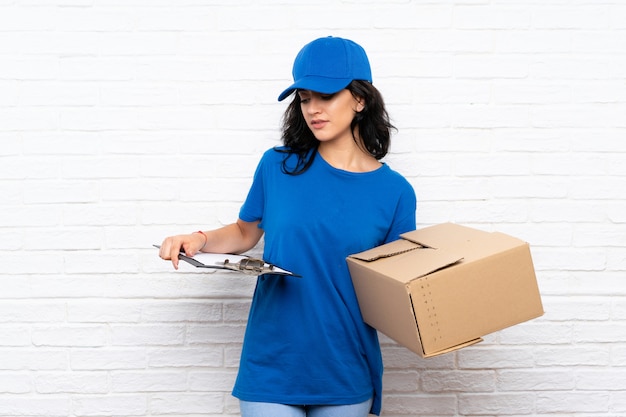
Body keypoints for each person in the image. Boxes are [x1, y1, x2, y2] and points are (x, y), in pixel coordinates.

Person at [159, 36, 417, 417]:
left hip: (344, 366)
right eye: (305, 98)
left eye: (325, 96)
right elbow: (246, 233)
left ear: (360, 100)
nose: (313, 109)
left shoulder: (395, 192)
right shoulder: (277, 166)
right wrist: (198, 239)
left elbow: (395, 286)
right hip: (273, 361)